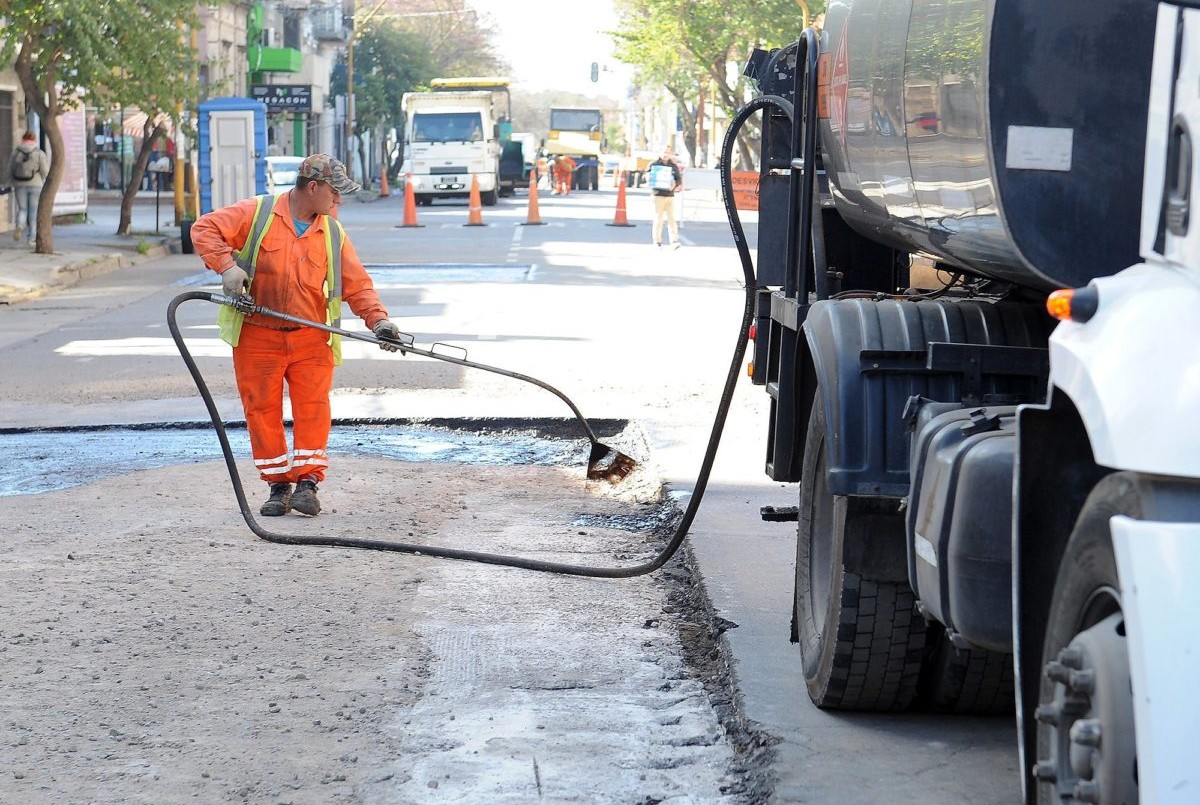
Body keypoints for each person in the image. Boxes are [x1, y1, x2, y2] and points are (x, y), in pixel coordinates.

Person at [190, 154, 403, 518]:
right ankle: (278, 486)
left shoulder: (332, 231)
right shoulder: (257, 214)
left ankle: (307, 485)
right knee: (261, 411)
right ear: (314, 187)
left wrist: (379, 321)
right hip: (259, 334)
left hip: (311, 336)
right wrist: (227, 267)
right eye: (336, 193)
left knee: (313, 409)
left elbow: (357, 285)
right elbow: (203, 228)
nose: (339, 201)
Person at [8, 131, 49, 246]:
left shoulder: (16, 153)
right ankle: (31, 238)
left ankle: (19, 226)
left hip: (19, 184)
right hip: (36, 185)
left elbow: (10, 169)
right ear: (34, 139)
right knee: (33, 211)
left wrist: (9, 182)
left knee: (22, 209)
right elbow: (45, 171)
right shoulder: (38, 153)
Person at [647, 144, 683, 249]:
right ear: (659, 153)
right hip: (657, 195)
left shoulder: (673, 166)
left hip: (670, 196)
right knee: (658, 219)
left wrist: (675, 185)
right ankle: (657, 241)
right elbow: (648, 177)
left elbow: (678, 179)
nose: (666, 154)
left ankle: (674, 241)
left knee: (672, 219)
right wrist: (648, 177)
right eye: (664, 152)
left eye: (668, 152)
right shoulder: (653, 165)